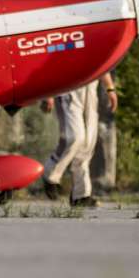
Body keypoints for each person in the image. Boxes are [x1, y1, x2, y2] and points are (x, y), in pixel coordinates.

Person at [40, 72, 118, 207]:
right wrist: (49, 93)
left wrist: (110, 88)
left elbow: (103, 61)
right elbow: (55, 62)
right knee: (75, 136)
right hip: (68, 88)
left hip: (91, 89)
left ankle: (81, 195)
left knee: (87, 144)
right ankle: (50, 174)